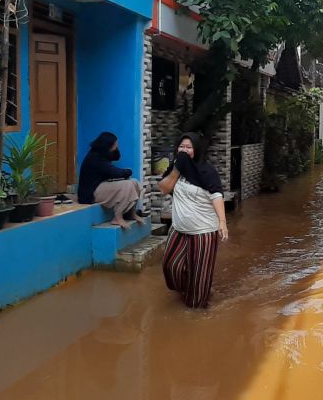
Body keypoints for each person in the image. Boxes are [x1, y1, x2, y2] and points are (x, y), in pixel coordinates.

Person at [158, 132, 228, 309]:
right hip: (179, 228)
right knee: (170, 267)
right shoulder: (176, 167)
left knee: (198, 286)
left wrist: (222, 222)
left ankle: (196, 307)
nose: (184, 150)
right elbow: (164, 189)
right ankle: (187, 288)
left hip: (203, 231)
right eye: (182, 146)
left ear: (196, 150)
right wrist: (176, 170)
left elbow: (217, 195)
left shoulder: (207, 171)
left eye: (189, 147)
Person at [78, 132, 144, 229]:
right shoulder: (95, 158)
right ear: (108, 145)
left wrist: (115, 149)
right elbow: (114, 172)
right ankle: (118, 217)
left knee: (134, 182)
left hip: (100, 187)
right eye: (115, 145)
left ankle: (131, 213)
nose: (116, 146)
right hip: (90, 193)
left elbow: (116, 157)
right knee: (127, 185)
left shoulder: (102, 154)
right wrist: (128, 171)